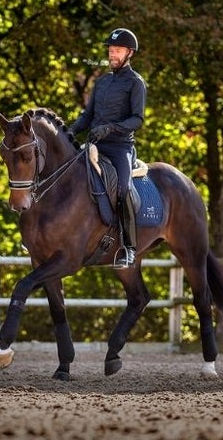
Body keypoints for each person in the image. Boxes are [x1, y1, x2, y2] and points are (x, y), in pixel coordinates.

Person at [67, 28, 146, 268]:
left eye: (118, 51)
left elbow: (137, 119)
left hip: (120, 147)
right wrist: (70, 130)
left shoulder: (135, 83)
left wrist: (110, 128)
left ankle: (129, 247)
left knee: (122, 190)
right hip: (94, 145)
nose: (113, 54)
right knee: (66, 176)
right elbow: (88, 115)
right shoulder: (101, 82)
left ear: (129, 53)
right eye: (111, 50)